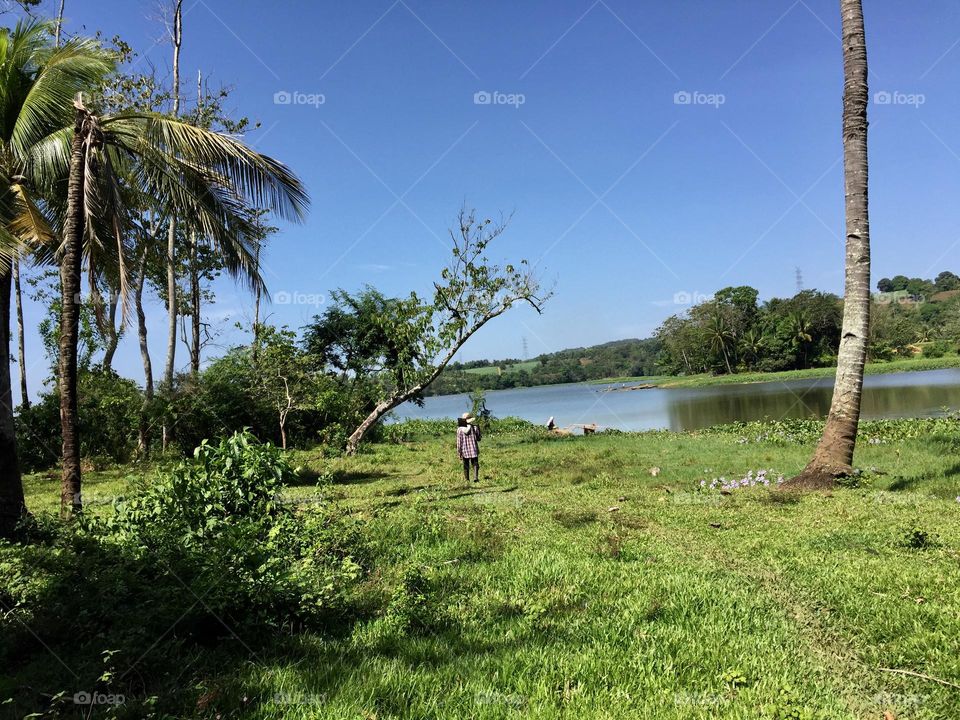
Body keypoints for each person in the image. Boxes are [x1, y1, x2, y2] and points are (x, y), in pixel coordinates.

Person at [456, 412, 481, 483]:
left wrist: (459, 452)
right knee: (475, 463)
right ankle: (476, 478)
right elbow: (479, 439)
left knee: (466, 465)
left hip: (464, 450)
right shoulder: (475, 427)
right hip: (473, 449)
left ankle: (467, 480)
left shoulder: (459, 429)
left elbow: (459, 442)